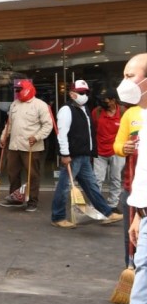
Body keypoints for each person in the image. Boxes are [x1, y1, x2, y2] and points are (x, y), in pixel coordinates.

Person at [95, 53, 147, 304]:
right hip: (142, 210)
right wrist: (137, 214)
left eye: (131, 75)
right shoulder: (136, 116)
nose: (123, 81)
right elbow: (126, 154)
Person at [50, 80, 123, 229]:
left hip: (83, 155)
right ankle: (57, 217)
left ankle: (107, 213)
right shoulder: (66, 110)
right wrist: (64, 154)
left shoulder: (84, 109)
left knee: (92, 186)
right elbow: (62, 134)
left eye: (86, 93)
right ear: (72, 93)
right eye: (81, 93)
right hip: (73, 156)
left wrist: (90, 152)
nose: (84, 95)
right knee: (64, 187)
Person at [0, 80, 53, 212]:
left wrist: (37, 137)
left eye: (19, 90)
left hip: (31, 147)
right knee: (13, 173)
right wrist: (3, 137)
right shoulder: (14, 105)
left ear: (27, 89)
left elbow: (48, 125)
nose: (16, 92)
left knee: (32, 175)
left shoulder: (40, 105)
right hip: (14, 146)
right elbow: (9, 124)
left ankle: (32, 201)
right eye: (16, 90)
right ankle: (16, 199)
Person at [114, 104, 142, 267]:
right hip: (131, 188)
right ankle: (131, 272)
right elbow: (117, 145)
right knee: (131, 236)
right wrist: (124, 148)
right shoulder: (131, 114)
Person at [92, 87, 125, 213]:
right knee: (97, 179)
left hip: (117, 151)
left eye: (105, 100)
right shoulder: (97, 112)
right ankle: (96, 205)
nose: (102, 102)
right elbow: (93, 128)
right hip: (100, 151)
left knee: (115, 179)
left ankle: (112, 205)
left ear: (113, 100)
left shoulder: (123, 112)